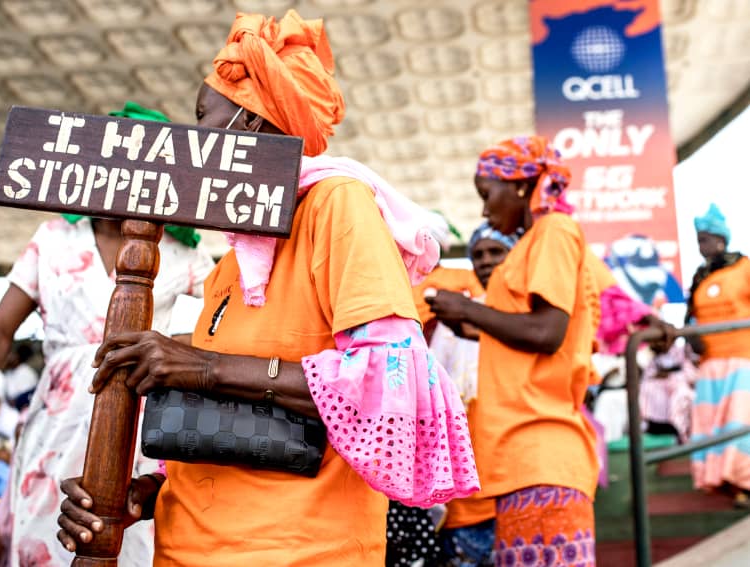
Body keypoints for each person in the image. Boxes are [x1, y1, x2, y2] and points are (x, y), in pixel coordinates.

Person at [57, 10, 479, 566]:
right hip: (188, 548)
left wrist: (200, 366)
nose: (191, 138)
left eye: (203, 118)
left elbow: (388, 384)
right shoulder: (232, 262)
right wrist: (139, 494)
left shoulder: (337, 204)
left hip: (301, 552)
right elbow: (229, 424)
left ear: (251, 126)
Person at [0, 101, 216, 566]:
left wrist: (167, 349)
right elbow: (0, 328)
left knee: (133, 542)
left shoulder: (181, 252)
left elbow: (227, 325)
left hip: (140, 427)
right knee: (43, 538)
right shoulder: (53, 238)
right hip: (57, 422)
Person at [426, 136, 599, 566]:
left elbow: (547, 333)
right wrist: (466, 326)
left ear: (520, 187)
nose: (485, 211)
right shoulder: (531, 243)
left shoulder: (554, 230)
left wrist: (468, 308)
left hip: (543, 452)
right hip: (523, 458)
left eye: (487, 196)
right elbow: (527, 341)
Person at [433, 223, 518, 567]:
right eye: (478, 254)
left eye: (495, 252)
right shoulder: (454, 316)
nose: (485, 261)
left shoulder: (530, 319)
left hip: (517, 480)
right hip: (467, 493)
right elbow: (435, 385)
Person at [685, 203, 750, 507]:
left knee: (739, 422)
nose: (702, 246)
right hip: (710, 365)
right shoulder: (699, 277)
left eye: (706, 239)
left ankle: (743, 482)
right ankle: (723, 483)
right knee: (712, 424)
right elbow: (690, 319)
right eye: (698, 240)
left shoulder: (743, 267)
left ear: (721, 239)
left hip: (742, 358)